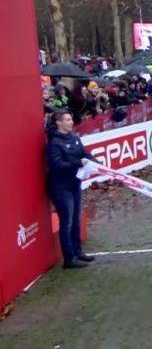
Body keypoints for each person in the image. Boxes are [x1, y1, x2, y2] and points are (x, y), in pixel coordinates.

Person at [45, 111, 97, 268]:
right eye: (67, 120)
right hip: (61, 187)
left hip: (75, 184)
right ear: (59, 123)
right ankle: (69, 259)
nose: (71, 122)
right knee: (66, 222)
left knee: (75, 221)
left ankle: (78, 252)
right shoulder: (54, 143)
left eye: (71, 119)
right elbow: (57, 165)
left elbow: (84, 153)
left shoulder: (74, 138)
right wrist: (78, 163)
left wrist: (93, 160)